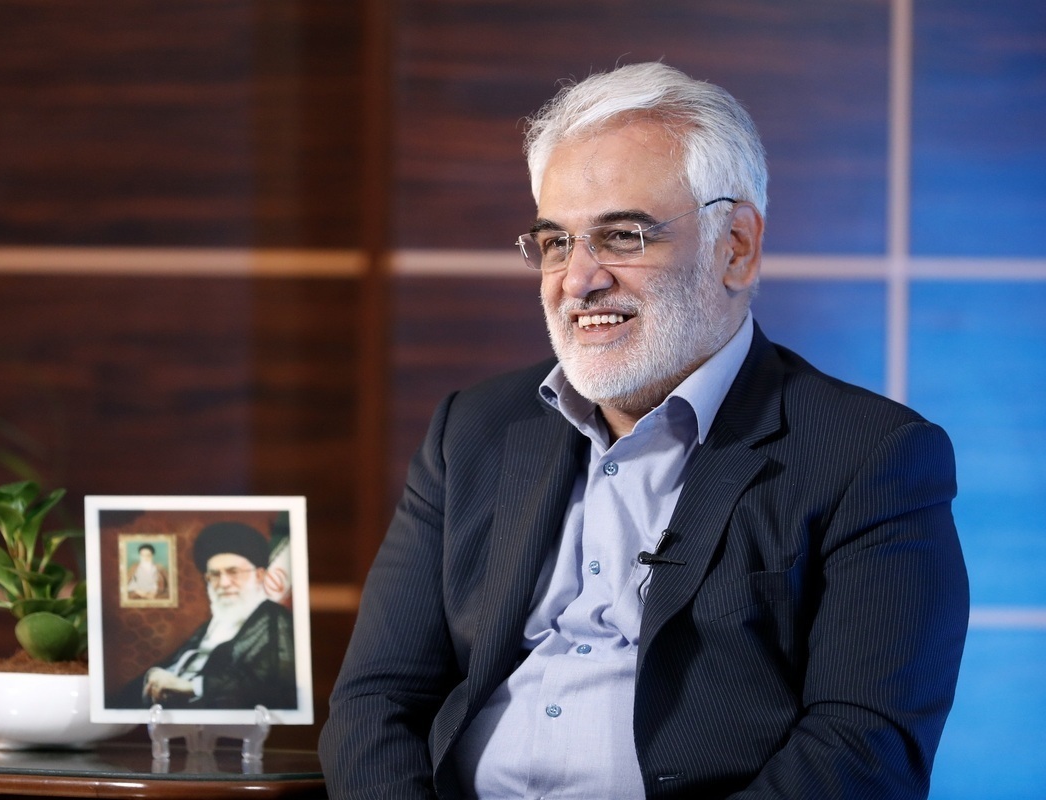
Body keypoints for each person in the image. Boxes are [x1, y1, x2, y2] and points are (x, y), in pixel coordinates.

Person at [319, 62, 969, 799]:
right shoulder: (471, 431)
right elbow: (375, 702)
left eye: (623, 236)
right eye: (556, 243)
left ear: (736, 246)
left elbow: (862, 751)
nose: (578, 280)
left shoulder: (871, 457)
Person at [117, 522, 297, 710]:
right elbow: (180, 663)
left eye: (233, 572)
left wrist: (192, 687)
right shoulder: (213, 625)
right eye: (215, 575)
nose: (224, 583)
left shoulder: (276, 621)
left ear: (259, 575)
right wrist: (156, 675)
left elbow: (273, 684)